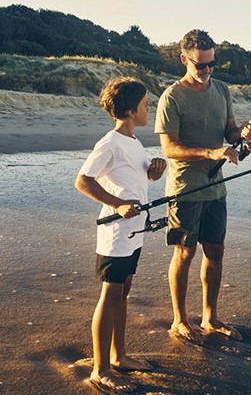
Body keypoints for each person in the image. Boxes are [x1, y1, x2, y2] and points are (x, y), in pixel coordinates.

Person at [155, 29, 251, 346]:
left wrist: (243, 135)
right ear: (184, 59)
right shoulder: (171, 97)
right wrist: (209, 153)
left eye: (211, 64)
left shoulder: (222, 90)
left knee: (215, 252)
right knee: (184, 254)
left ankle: (210, 318)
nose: (206, 71)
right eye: (200, 65)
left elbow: (229, 133)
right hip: (185, 188)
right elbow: (169, 148)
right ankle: (180, 320)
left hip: (216, 188)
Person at [75, 77, 167, 392]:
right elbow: (83, 181)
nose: (148, 109)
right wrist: (118, 205)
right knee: (111, 296)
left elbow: (142, 177)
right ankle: (100, 370)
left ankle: (119, 356)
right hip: (115, 232)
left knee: (123, 293)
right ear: (130, 111)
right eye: (145, 105)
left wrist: (156, 169)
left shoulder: (134, 143)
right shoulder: (110, 142)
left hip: (134, 231)